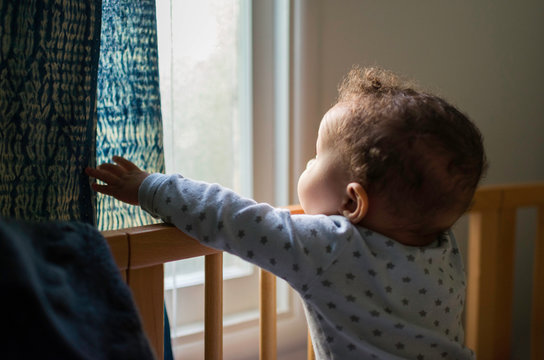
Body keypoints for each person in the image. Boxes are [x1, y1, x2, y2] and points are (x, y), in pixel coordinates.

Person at [86, 66, 486, 359]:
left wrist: (150, 187)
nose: (307, 164)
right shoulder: (442, 247)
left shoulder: (331, 245)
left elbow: (233, 219)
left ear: (351, 204)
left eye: (316, 157)